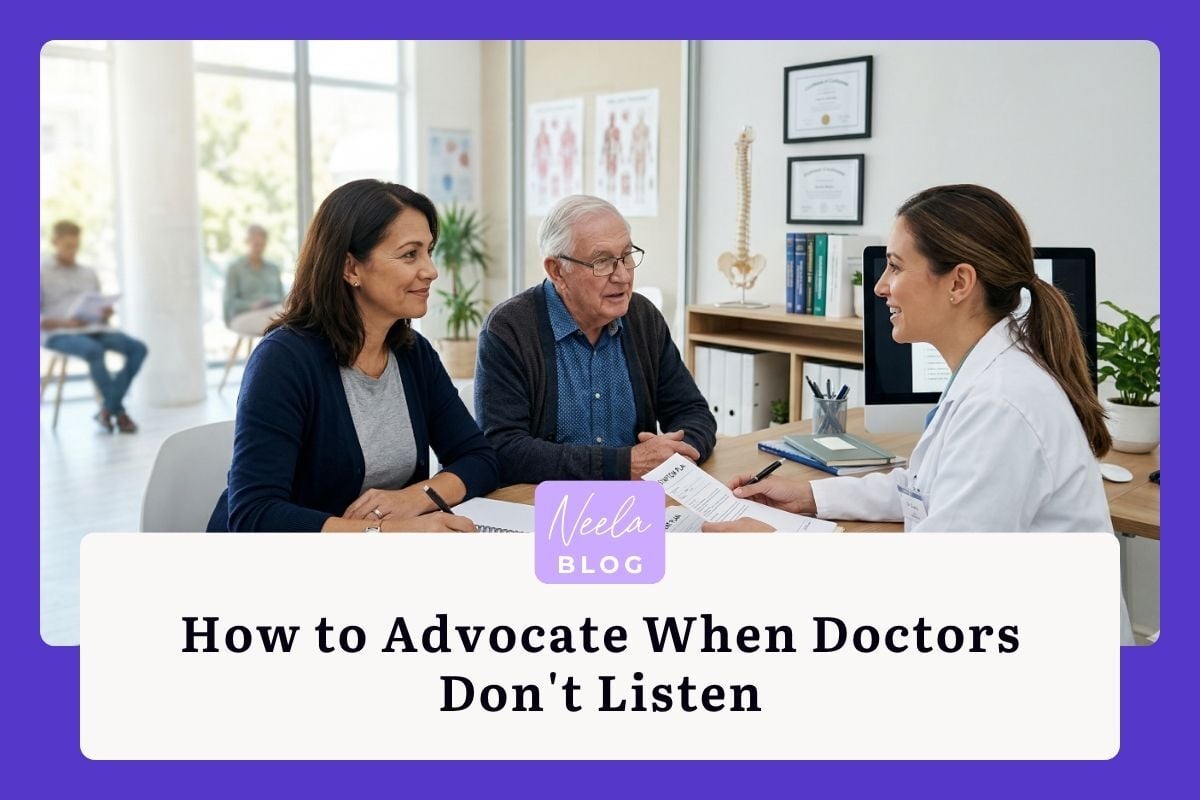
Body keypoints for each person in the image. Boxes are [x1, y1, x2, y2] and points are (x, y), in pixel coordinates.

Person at [706, 184, 1133, 642]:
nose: (880, 286)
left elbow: (933, 586)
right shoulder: (989, 375)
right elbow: (925, 490)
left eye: (895, 266)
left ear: (959, 283)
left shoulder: (1002, 405)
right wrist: (810, 498)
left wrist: (772, 549)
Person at [207, 180, 498, 533]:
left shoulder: (413, 354)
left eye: (429, 251)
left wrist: (414, 498)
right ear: (351, 268)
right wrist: (389, 534)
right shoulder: (283, 361)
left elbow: (480, 459)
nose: (431, 270)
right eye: (410, 254)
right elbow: (255, 515)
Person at [475, 194, 716, 484]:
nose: (623, 276)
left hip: (635, 501)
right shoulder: (510, 328)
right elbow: (504, 449)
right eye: (602, 262)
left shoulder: (642, 317)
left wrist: (675, 455)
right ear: (557, 271)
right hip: (544, 508)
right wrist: (624, 464)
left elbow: (692, 411)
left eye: (626, 256)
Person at [40, 220, 147, 433]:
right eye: (68, 246)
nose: (73, 251)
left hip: (94, 329)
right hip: (58, 333)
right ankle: (118, 411)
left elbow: (97, 306)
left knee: (138, 348)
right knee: (93, 350)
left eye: (76, 246)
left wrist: (104, 313)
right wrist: (65, 323)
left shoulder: (88, 273)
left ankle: (107, 409)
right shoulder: (40, 272)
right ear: (55, 242)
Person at [223, 224, 284, 336]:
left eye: (262, 244)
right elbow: (230, 303)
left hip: (273, 311)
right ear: (247, 242)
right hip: (244, 316)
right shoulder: (235, 268)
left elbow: (282, 298)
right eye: (256, 244)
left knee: (286, 315)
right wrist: (252, 305)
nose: (259, 248)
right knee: (283, 321)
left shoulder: (273, 269)